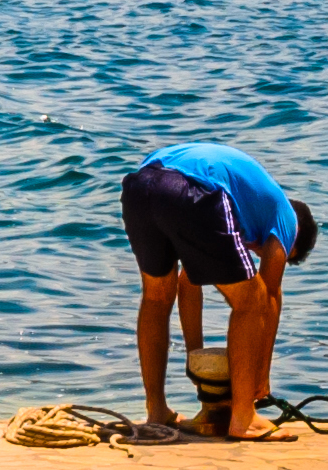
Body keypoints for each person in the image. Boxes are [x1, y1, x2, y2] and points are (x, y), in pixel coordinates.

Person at [121, 141, 315, 439]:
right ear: (294, 238)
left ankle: (157, 409)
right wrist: (260, 378)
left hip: (141, 185)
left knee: (156, 297)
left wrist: (195, 360)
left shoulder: (247, 207)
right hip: (191, 188)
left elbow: (188, 283)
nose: (259, 253)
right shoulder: (287, 217)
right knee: (252, 299)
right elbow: (269, 296)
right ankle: (244, 418)